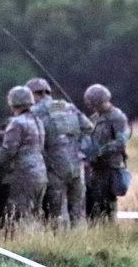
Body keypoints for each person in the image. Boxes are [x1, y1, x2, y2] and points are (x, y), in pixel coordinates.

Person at [27, 77, 93, 228]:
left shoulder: (34, 112)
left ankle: (61, 244)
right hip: (77, 165)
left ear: (33, 94)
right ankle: (81, 244)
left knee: (57, 211)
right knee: (78, 211)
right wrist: (80, 150)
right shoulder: (69, 107)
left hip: (54, 167)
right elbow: (89, 128)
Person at [0, 86, 47, 231]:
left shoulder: (16, 122)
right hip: (40, 172)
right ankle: (37, 243)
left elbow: (8, 151)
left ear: (13, 102)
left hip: (23, 174)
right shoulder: (37, 121)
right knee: (34, 213)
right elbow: (27, 139)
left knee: (18, 213)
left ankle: (24, 247)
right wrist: (2, 134)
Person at [83, 83, 131, 222]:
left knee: (107, 204)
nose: (92, 107)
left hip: (110, 168)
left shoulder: (117, 117)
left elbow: (121, 141)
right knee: (93, 203)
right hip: (95, 168)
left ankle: (109, 229)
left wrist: (100, 151)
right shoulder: (95, 118)